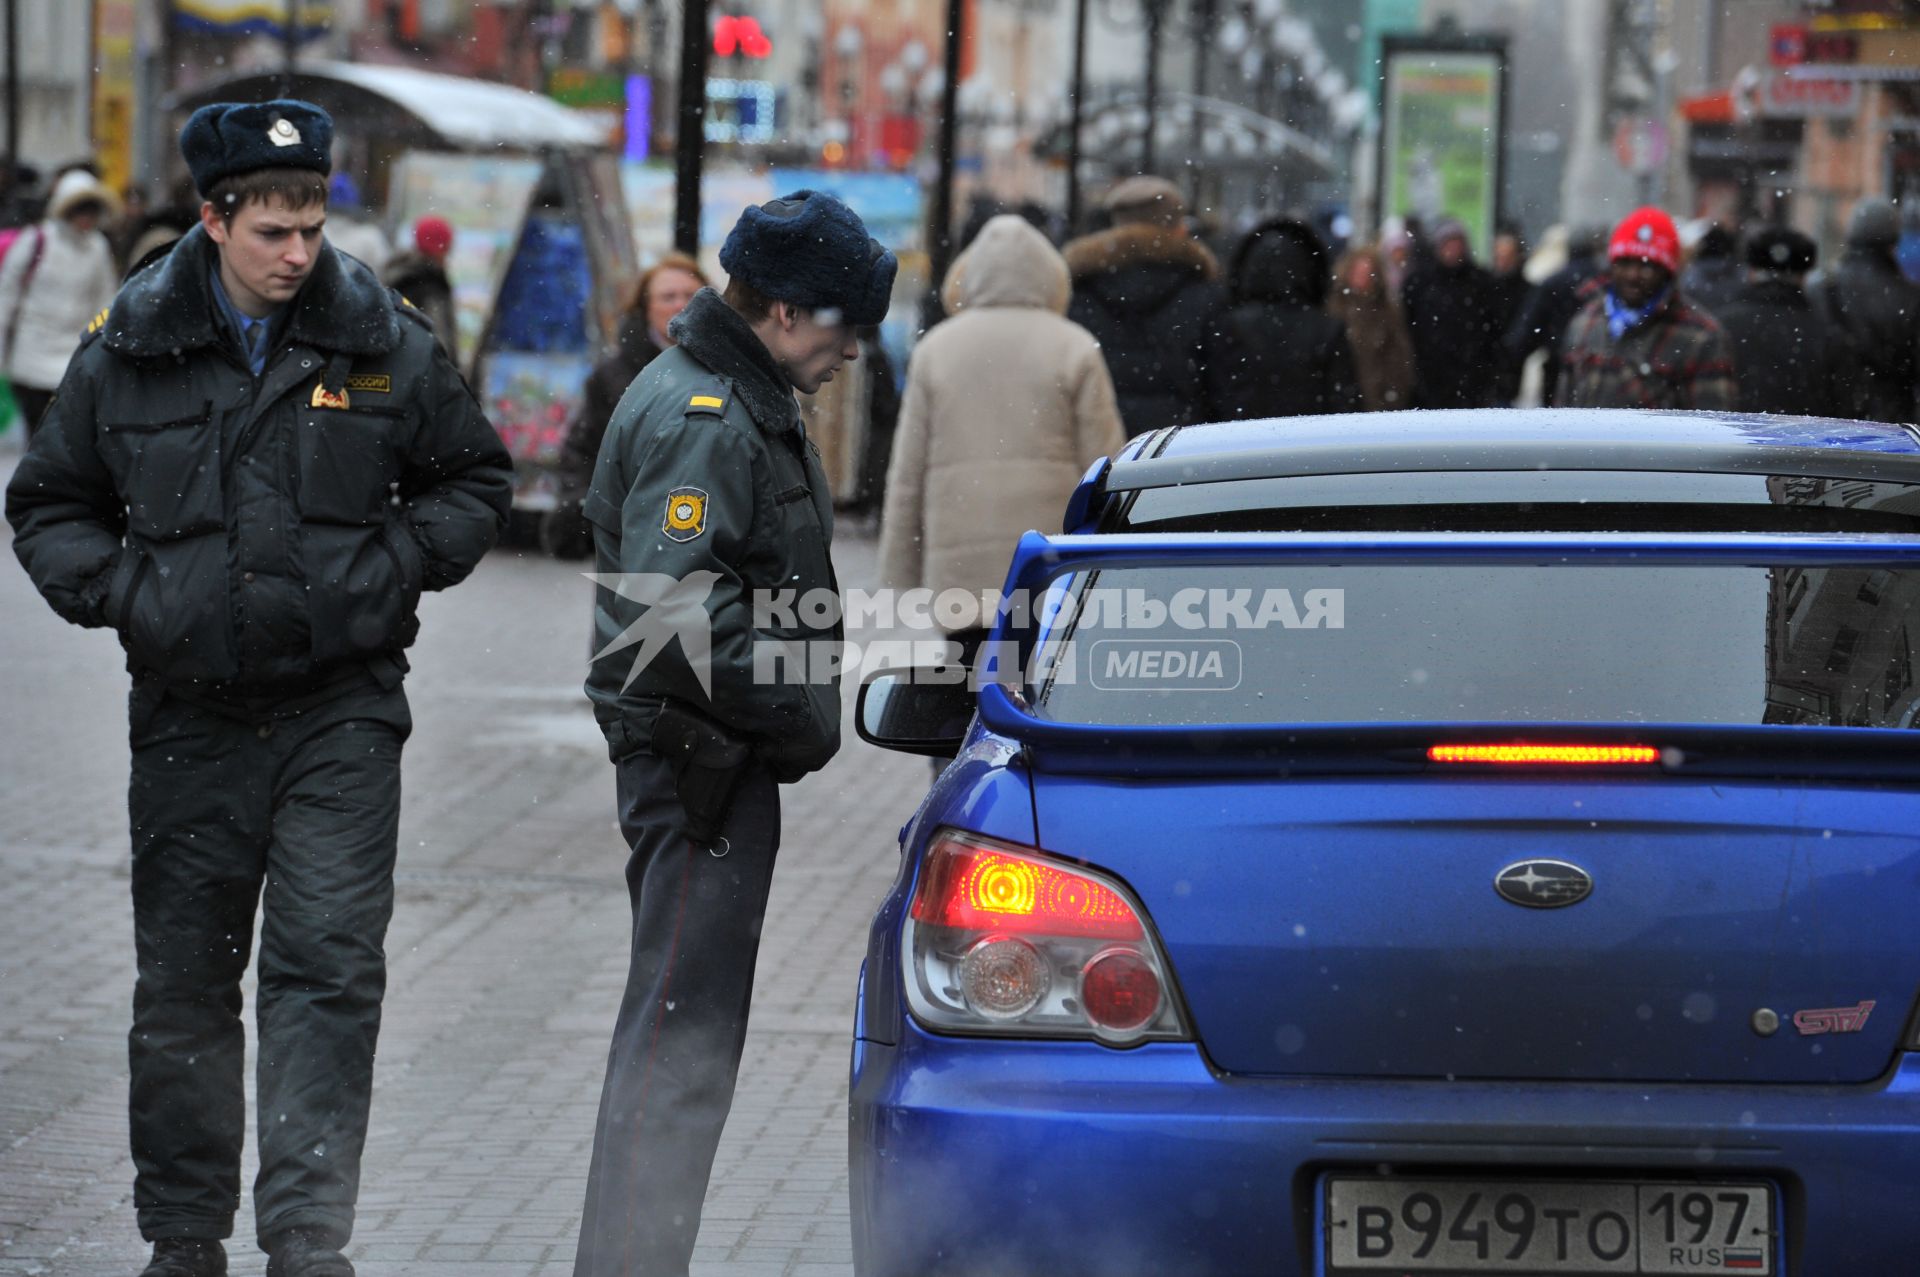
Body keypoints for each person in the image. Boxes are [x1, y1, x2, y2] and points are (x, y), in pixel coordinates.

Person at [5, 100, 513, 1277]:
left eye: (313, 223)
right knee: (185, 983)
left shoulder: (377, 334)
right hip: (189, 716)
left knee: (327, 967)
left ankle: (306, 1236)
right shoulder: (129, 344)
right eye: (274, 228)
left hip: (343, 711)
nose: (299, 251)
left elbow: (473, 478)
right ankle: (185, 1236)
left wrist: (391, 572)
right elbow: (48, 503)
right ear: (213, 217)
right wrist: (132, 595)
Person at [575, 189, 895, 1277]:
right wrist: (792, 705)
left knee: (686, 1041)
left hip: (712, 757)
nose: (853, 350)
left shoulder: (737, 396)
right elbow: (665, 616)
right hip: (697, 766)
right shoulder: (704, 413)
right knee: (677, 1047)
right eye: (845, 325)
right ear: (789, 310)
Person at [878, 212, 1122, 667]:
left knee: (971, 693)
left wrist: (899, 572)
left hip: (960, 569)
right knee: (1046, 690)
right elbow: (1105, 468)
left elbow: (908, 471)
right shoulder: (1074, 346)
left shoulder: (937, 349)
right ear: (1050, 277)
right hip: (1051, 563)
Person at [543, 253, 708, 558]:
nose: (680, 305)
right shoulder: (613, 377)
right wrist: (583, 508)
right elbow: (582, 450)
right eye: (668, 297)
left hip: (710, 535)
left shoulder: (727, 370)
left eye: (690, 295)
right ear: (646, 310)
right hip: (634, 540)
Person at [1062, 175, 1228, 436]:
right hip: (1181, 452)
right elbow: (1222, 387)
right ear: (1179, 227)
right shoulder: (1204, 293)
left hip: (1101, 451)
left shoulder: (1080, 290)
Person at [1554, 206, 1737, 411]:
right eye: (1624, 263)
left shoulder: (1701, 336)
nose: (1633, 275)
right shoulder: (1586, 321)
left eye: (1647, 266)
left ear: (1667, 271)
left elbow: (1713, 428)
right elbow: (1564, 409)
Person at [0, 168, 120, 435]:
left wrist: (100, 347)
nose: (86, 218)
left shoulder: (97, 247)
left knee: (65, 438)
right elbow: (6, 295)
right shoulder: (37, 240)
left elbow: (104, 303)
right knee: (38, 436)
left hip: (73, 358)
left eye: (92, 210)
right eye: (81, 210)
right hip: (30, 357)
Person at [1207, 216, 1360, 418]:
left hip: (1240, 443)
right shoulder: (1326, 329)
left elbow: (1215, 396)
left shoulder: (1229, 326)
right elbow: (1344, 404)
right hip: (1310, 443)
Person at [1715, 226, 1856, 419]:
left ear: (1751, 272)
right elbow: (1846, 410)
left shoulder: (1718, 327)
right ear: (1804, 277)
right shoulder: (1828, 335)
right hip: (1805, 446)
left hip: (1731, 443)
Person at [1808, 198, 1920, 424]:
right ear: (1893, 241)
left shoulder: (1820, 287)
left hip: (1830, 417)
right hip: (1893, 419)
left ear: (1850, 237)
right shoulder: (1910, 296)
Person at [1400, 218, 1503, 408]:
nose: (1453, 249)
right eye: (1448, 243)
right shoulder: (1420, 283)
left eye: (1457, 243)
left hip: (1472, 377)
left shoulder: (1481, 282)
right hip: (1430, 376)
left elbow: (1494, 329)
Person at [1503, 223, 1606, 407]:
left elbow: (1523, 336)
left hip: (1558, 372)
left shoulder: (1553, 283)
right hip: (1601, 373)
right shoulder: (1606, 282)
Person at [1328, 242, 1418, 412]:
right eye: (1357, 271)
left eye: (1367, 272)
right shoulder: (1335, 308)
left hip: (1377, 400)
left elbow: (1399, 358)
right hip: (1342, 400)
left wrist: (1392, 393)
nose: (1362, 278)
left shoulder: (1388, 311)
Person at [380, 214, 457, 351]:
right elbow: (439, 338)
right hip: (424, 368)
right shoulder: (429, 282)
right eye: (447, 247)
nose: (448, 254)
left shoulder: (399, 271)